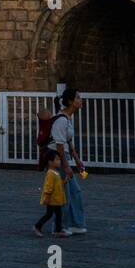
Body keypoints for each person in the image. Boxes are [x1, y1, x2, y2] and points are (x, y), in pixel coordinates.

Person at [52, 87, 87, 234]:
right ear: (71, 101)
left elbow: (69, 141)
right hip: (58, 159)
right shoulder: (61, 119)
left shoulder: (67, 118)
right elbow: (59, 146)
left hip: (65, 157)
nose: (81, 100)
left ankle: (76, 223)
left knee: (75, 192)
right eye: (78, 97)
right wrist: (66, 167)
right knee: (64, 194)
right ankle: (59, 227)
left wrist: (77, 159)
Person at [34, 149, 69, 238]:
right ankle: (37, 226)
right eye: (57, 159)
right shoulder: (50, 173)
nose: (59, 161)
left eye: (59, 159)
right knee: (49, 214)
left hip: (56, 199)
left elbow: (57, 184)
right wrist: (48, 197)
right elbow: (48, 187)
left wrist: (64, 182)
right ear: (50, 162)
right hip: (52, 199)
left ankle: (58, 230)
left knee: (58, 214)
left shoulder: (56, 172)